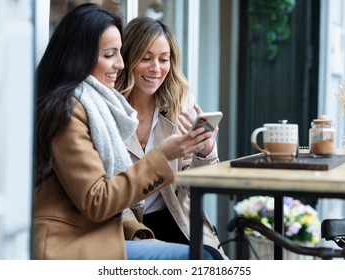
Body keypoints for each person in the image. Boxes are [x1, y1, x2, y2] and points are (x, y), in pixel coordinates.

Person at [34, 3, 215, 260]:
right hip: (75, 243)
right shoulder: (70, 109)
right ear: (78, 55)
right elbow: (99, 200)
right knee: (204, 260)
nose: (119, 64)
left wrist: (204, 153)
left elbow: (189, 186)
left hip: (121, 229)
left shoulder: (97, 104)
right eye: (110, 55)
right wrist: (161, 157)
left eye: (164, 59)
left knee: (211, 256)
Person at [115, 16, 228, 259]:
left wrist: (204, 152)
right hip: (125, 225)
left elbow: (196, 186)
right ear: (127, 58)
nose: (156, 68)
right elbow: (108, 191)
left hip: (177, 217)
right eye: (146, 58)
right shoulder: (110, 108)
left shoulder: (180, 101)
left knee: (212, 261)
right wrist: (137, 232)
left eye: (163, 59)